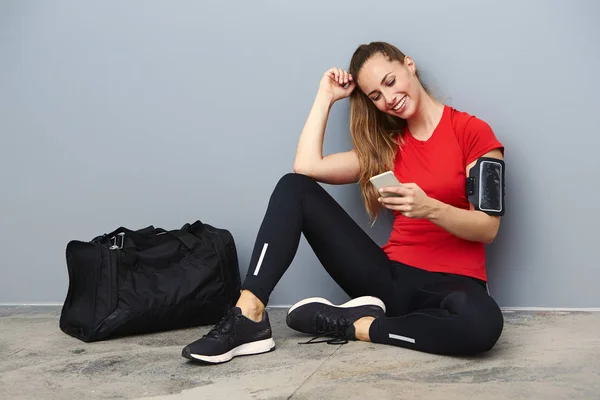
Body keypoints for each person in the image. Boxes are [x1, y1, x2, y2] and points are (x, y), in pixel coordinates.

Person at [182, 41, 506, 364]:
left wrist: (429, 208)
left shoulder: (473, 133)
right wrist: (326, 96)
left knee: (482, 326)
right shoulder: (388, 149)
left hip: (454, 287)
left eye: (390, 82)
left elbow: (487, 227)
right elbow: (306, 167)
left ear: (409, 65)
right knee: (294, 187)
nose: (389, 98)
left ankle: (358, 326)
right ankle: (247, 315)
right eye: (376, 96)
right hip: (388, 280)